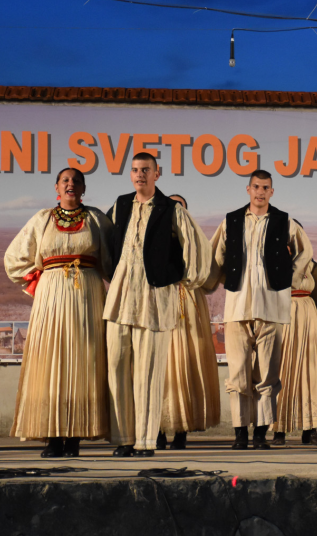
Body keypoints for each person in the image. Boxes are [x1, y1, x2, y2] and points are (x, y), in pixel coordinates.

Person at [104, 153, 211, 457]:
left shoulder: (171, 209)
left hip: (154, 299)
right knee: (116, 367)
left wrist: (179, 277)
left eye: (146, 170)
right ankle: (124, 438)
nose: (140, 175)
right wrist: (112, 274)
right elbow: (106, 242)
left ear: (156, 174)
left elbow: (196, 247)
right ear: (131, 174)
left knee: (149, 372)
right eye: (135, 170)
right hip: (120, 299)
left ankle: (145, 441)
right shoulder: (121, 205)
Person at [4, 167, 114, 457]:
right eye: (65, 180)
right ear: (56, 187)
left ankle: (76, 436)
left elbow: (114, 260)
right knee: (49, 360)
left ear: (84, 188)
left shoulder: (97, 219)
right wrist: (38, 282)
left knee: (84, 359)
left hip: (87, 294)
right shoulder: (42, 219)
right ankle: (52, 435)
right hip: (51, 295)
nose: (70, 184)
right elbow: (14, 258)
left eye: (76, 180)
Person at [204, 169, 312, 450]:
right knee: (238, 374)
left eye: (265, 188)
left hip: (271, 307)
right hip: (237, 308)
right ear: (248, 189)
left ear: (271, 192)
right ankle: (240, 433)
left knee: (267, 374)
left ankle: (261, 434)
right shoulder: (231, 220)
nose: (260, 192)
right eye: (256, 187)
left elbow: (305, 252)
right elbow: (215, 256)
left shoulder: (285, 221)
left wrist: (289, 280)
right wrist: (220, 281)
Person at [155, 194, 222, 450]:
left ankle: (183, 429)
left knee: (189, 361)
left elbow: (210, 278)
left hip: (190, 302)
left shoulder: (198, 242)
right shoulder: (153, 241)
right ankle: (158, 427)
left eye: (179, 208)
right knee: (160, 366)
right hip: (159, 302)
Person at [271, 247, 317, 446]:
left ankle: (310, 429)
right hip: (283, 312)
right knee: (283, 368)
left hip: (307, 313)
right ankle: (279, 429)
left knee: (310, 371)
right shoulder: (270, 262)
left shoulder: (309, 265)